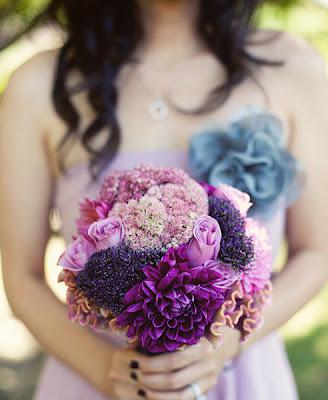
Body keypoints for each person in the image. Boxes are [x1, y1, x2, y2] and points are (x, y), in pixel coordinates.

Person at [0, 1, 327, 399]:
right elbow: (21, 277)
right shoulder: (38, 85)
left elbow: (317, 251)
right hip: (91, 380)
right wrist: (114, 373)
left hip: (243, 378)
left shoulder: (292, 68)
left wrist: (228, 342)